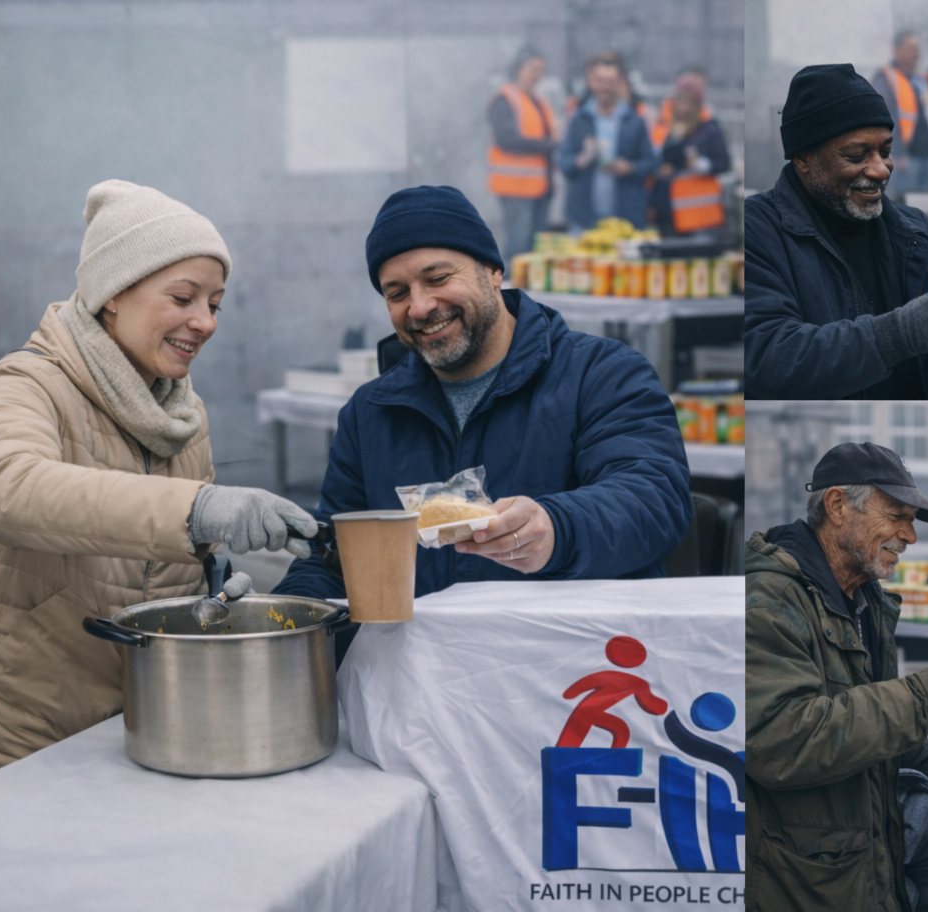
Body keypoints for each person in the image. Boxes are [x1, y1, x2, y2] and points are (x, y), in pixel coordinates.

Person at [0, 180, 317, 775]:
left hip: (147, 726)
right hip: (23, 735)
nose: (204, 322)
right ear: (113, 293)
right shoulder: (25, 385)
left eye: (214, 303)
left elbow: (161, 569)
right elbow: (9, 490)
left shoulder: (182, 415)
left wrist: (212, 596)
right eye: (183, 297)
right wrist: (197, 511)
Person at [272, 184, 690, 599]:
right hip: (424, 662)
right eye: (396, 293)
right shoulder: (369, 413)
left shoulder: (602, 374)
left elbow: (654, 501)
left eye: (437, 278)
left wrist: (557, 528)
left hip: (575, 657)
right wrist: (281, 616)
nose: (419, 307)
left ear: (492, 270)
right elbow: (334, 555)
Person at [746, 442, 928, 912]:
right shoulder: (769, 601)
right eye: (896, 515)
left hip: (862, 859)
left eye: (911, 520)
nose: (909, 535)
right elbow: (780, 741)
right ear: (837, 505)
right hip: (801, 877)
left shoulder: (863, 596)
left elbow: (867, 709)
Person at [744, 64, 928, 400]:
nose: (881, 169)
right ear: (802, 158)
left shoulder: (916, 231)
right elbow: (765, 361)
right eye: (857, 155)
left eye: (885, 151)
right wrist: (898, 334)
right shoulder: (755, 231)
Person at [556, 51, 658, 230]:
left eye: (611, 82)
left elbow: (650, 162)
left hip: (626, 217)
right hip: (583, 217)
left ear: (620, 83)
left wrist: (630, 168)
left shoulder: (634, 120)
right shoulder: (579, 119)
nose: (605, 87)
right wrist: (581, 159)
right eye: (600, 81)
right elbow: (563, 161)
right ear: (591, 82)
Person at [487, 47, 559, 260]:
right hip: (515, 186)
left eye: (541, 70)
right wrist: (548, 145)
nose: (537, 74)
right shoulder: (504, 99)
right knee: (518, 247)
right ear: (518, 68)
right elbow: (507, 140)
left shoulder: (538, 101)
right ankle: (508, 290)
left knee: (534, 249)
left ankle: (526, 291)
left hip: (541, 186)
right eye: (532, 68)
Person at [649, 72, 731, 235]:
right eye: (680, 101)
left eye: (689, 102)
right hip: (667, 211)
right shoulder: (665, 129)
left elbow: (724, 163)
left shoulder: (709, 130)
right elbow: (655, 160)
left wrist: (699, 164)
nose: (684, 108)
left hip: (699, 214)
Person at [873, 31, 928, 201]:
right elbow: (885, 117)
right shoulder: (886, 78)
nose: (917, 53)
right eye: (911, 48)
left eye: (918, 48)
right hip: (905, 158)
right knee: (902, 206)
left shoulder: (922, 80)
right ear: (897, 51)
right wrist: (895, 152)